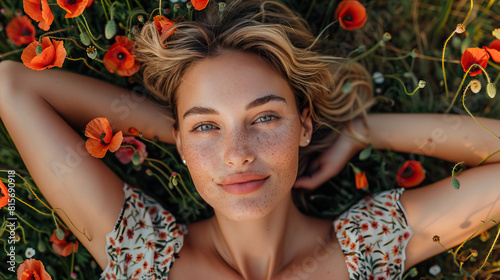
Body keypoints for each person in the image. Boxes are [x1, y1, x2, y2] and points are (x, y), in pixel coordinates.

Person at [0, 0, 499, 279]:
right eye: (206, 127)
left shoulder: (369, 245)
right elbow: (13, 85)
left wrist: (362, 128)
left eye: (264, 118)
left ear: (304, 124)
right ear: (180, 139)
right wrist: (176, 130)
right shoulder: (141, 254)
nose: (237, 153)